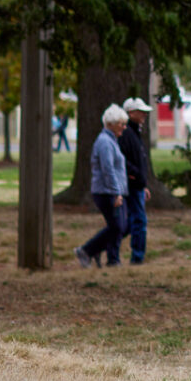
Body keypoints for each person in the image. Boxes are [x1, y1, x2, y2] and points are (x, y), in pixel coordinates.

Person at [75, 105, 129, 268]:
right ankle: (88, 251)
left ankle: (99, 252)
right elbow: (108, 170)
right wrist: (116, 193)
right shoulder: (105, 142)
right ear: (111, 124)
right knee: (117, 226)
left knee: (123, 226)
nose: (124, 127)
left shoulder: (111, 141)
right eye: (121, 124)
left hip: (114, 191)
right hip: (106, 192)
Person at [116, 97, 155, 265]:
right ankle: (137, 257)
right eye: (141, 112)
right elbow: (122, 159)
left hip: (137, 185)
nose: (145, 115)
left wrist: (143, 184)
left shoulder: (135, 132)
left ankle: (101, 244)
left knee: (129, 223)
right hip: (131, 185)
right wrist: (134, 175)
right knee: (138, 221)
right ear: (131, 113)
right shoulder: (126, 133)